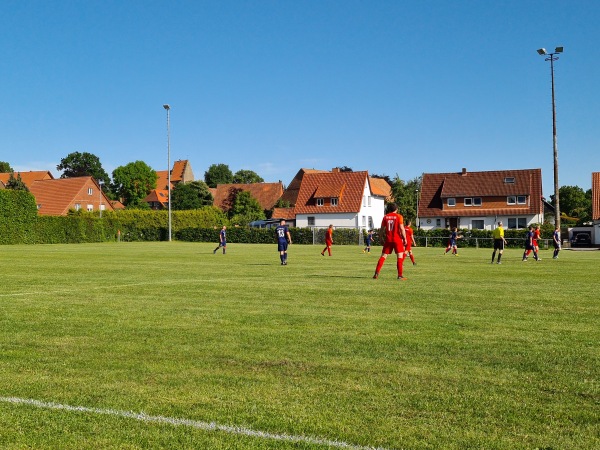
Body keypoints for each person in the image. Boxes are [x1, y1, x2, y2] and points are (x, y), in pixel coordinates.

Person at [373, 203, 407, 280]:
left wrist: (381, 238)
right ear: (396, 209)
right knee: (400, 257)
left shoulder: (385, 217)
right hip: (397, 239)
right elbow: (402, 228)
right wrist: (405, 238)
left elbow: (381, 230)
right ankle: (400, 275)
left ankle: (376, 273)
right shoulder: (399, 216)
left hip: (388, 239)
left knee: (383, 256)